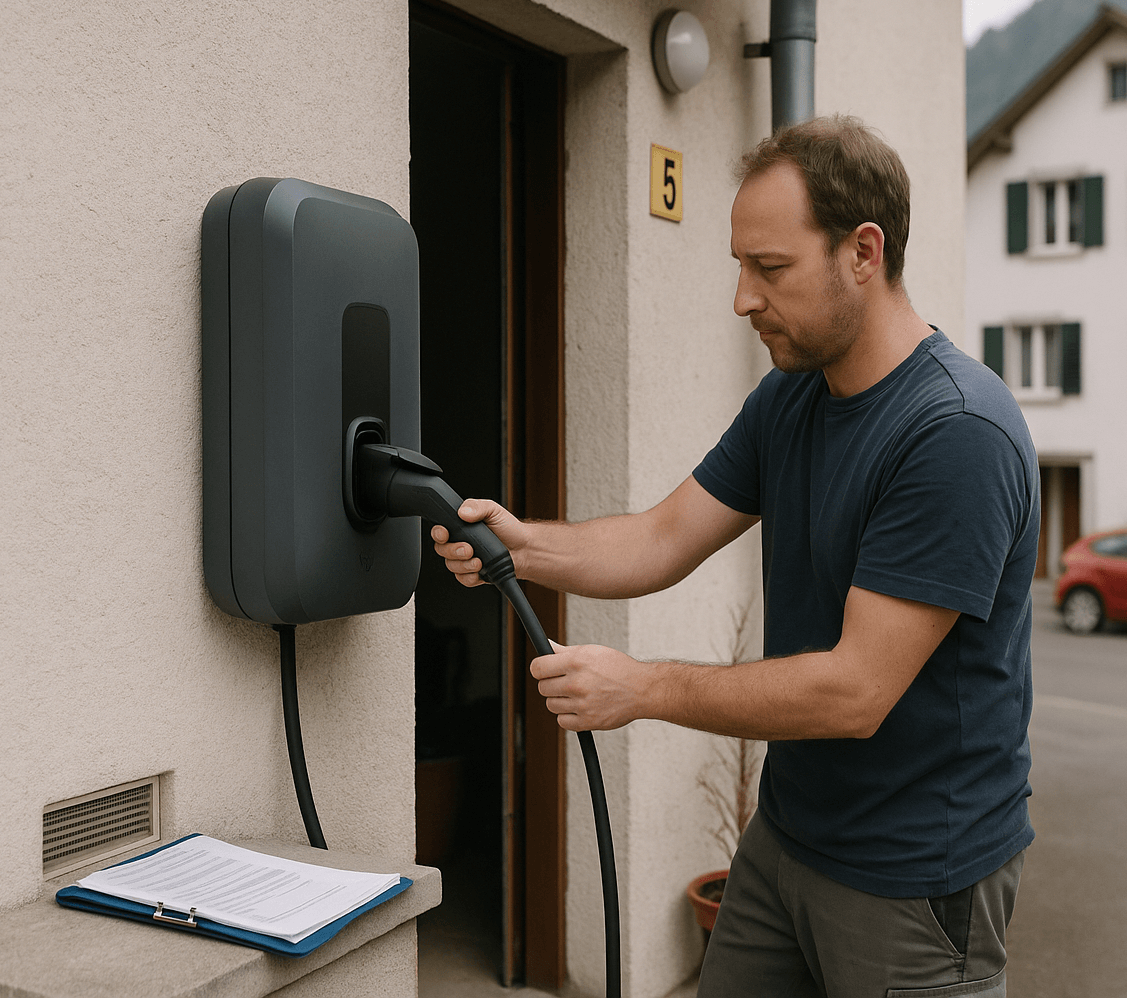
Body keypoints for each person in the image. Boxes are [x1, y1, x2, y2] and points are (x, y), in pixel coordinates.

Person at [433, 115, 1037, 997]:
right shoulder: (793, 397)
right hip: (788, 840)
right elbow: (664, 535)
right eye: (740, 265)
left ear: (863, 252)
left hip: (916, 875)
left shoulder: (955, 433)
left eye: (772, 268)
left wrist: (642, 687)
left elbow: (855, 691)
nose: (743, 298)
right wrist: (525, 549)